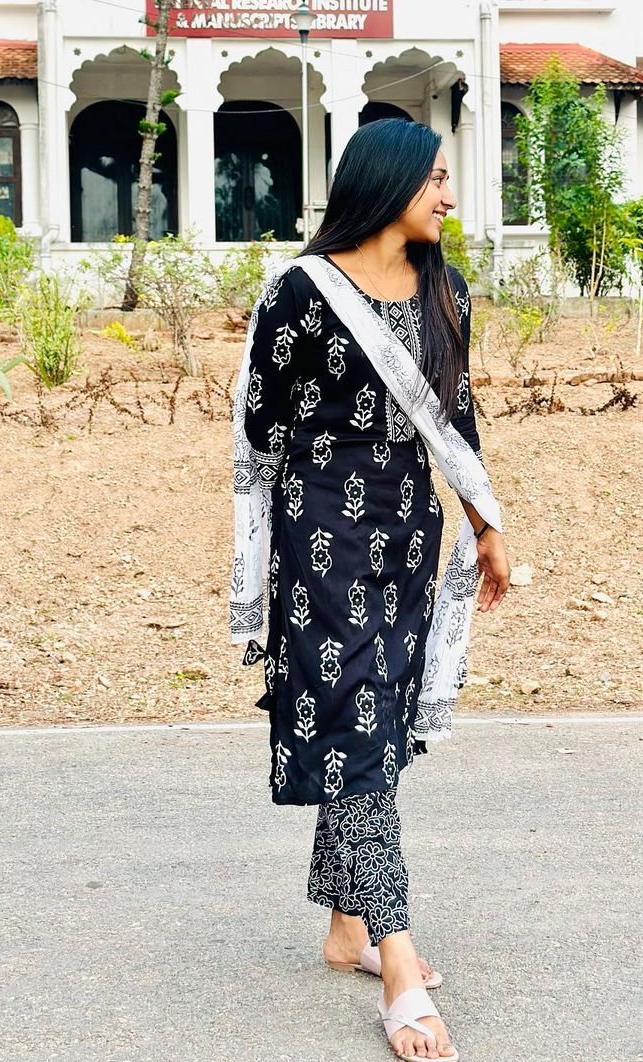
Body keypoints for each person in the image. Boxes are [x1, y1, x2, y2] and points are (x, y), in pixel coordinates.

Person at [231, 117, 510, 1060]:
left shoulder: (445, 290)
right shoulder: (301, 294)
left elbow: (455, 415)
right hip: (321, 536)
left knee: (376, 722)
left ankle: (347, 925)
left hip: (407, 530)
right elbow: (261, 430)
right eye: (435, 179)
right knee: (352, 720)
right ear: (387, 183)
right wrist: (265, 556)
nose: (448, 196)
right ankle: (395, 958)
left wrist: (485, 524)